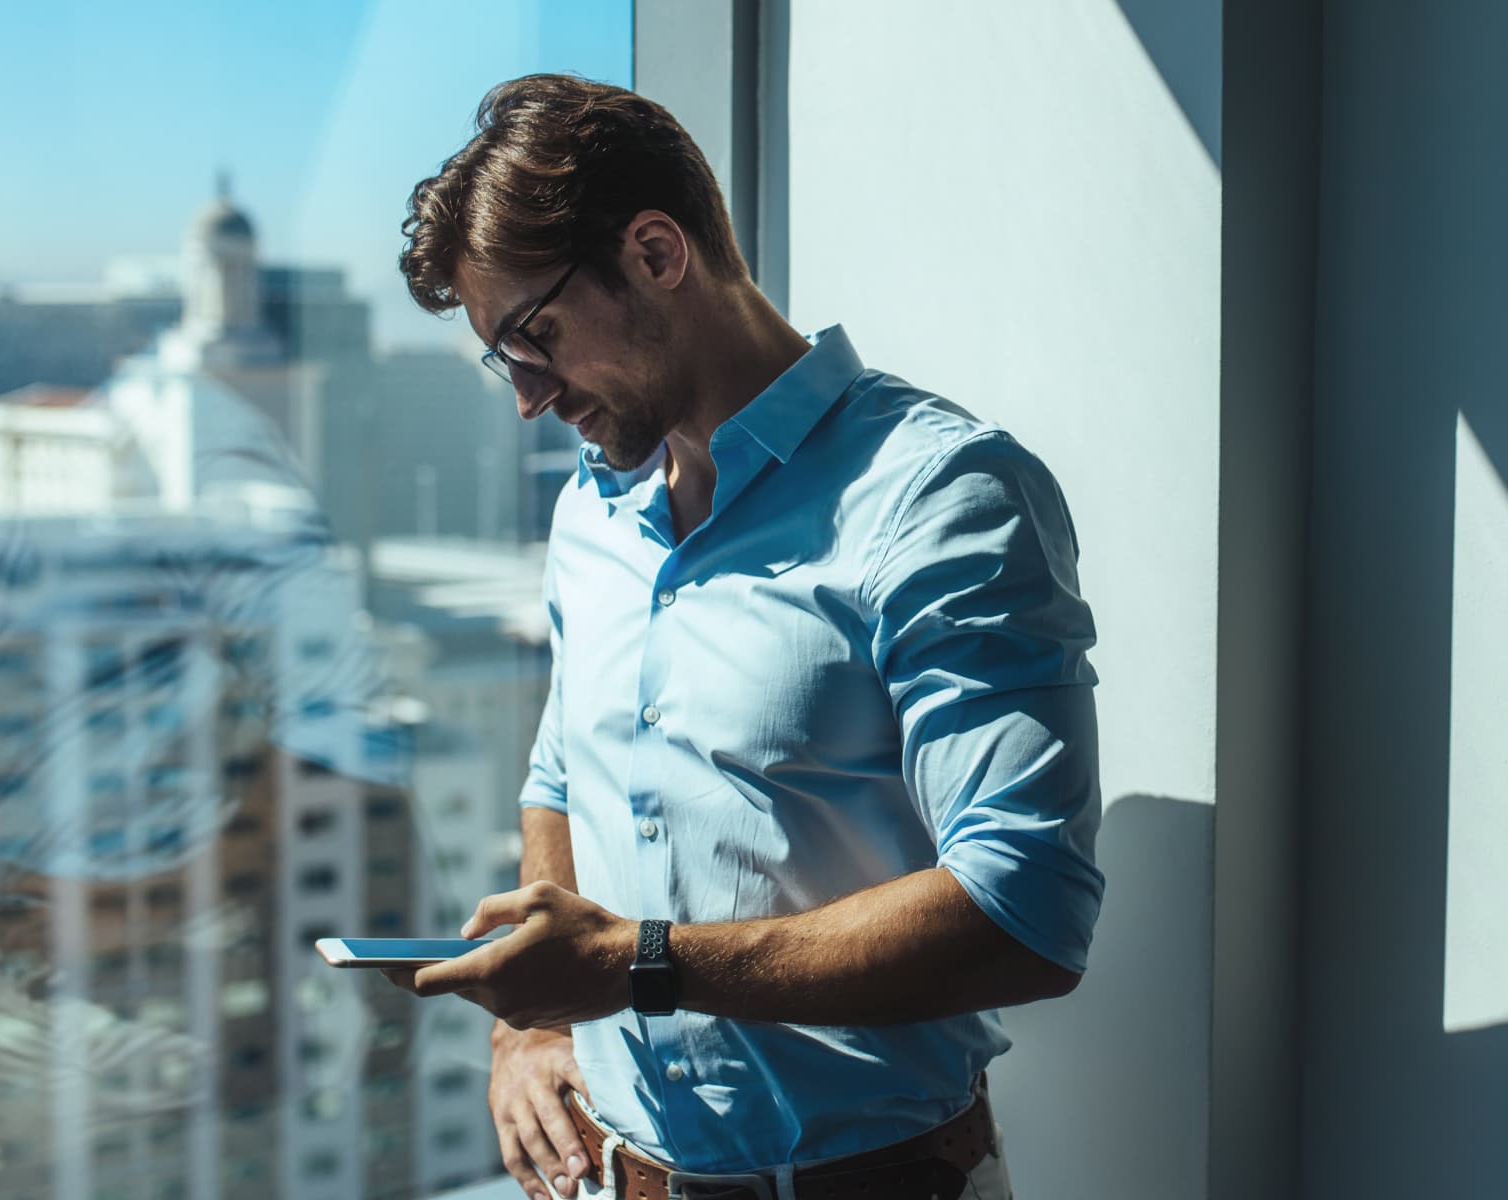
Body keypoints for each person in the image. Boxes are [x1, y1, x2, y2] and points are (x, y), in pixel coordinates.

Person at [386, 73, 1105, 1200]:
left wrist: (634, 968)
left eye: (536, 336)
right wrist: (529, 1030)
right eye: (503, 358)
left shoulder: (936, 495)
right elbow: (560, 772)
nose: (527, 395)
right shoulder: (592, 512)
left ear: (657, 254)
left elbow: (1026, 911)